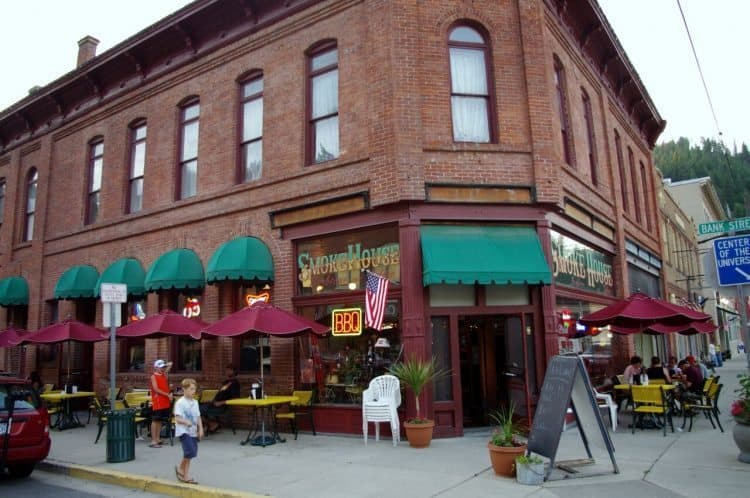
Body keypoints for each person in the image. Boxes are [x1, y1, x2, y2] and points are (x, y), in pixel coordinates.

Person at [174, 378, 203, 485]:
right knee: (189, 451)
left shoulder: (195, 402)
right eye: (191, 389)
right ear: (184, 389)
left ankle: (184, 473)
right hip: (184, 431)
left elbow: (198, 416)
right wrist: (186, 422)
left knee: (190, 454)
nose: (193, 391)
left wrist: (201, 429)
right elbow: (177, 418)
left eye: (194, 389)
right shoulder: (180, 403)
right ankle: (182, 471)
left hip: (193, 431)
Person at [202, 364, 241, 433]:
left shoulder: (235, 384)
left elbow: (236, 398)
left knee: (197, 409)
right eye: (226, 370)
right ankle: (212, 424)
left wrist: (221, 402)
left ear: (234, 372)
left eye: (229, 370)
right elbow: (220, 394)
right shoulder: (226, 382)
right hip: (214, 404)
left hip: (222, 407)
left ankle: (212, 424)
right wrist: (211, 400)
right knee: (196, 405)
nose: (227, 371)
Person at [150, 359, 173, 448]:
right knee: (155, 420)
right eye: (160, 367)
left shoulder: (163, 375)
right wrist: (167, 395)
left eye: (163, 367)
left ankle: (158, 438)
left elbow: (170, 364)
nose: (162, 369)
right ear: (156, 367)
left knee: (160, 420)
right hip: (158, 401)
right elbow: (156, 389)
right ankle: (153, 440)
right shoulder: (153, 376)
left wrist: (165, 365)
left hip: (164, 401)